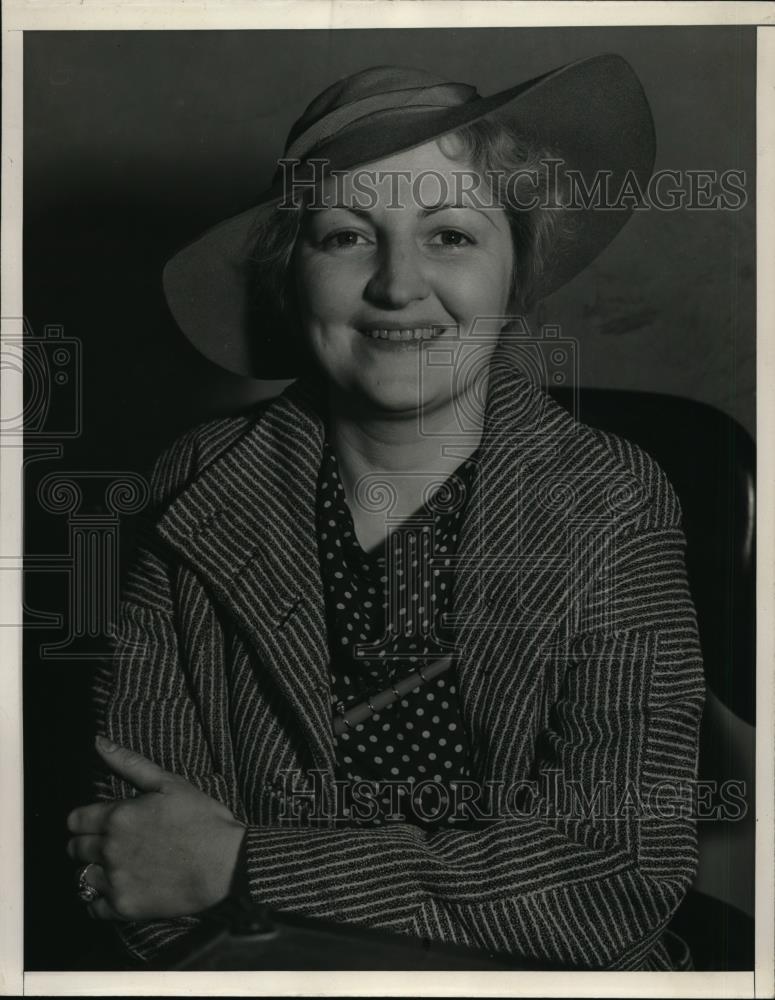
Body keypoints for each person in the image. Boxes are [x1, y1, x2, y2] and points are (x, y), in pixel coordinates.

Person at [66, 55, 705, 971]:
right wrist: (213, 899)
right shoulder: (196, 483)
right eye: (345, 237)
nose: (397, 285)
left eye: (449, 234)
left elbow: (614, 874)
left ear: (516, 269)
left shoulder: (611, 501)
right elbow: (140, 861)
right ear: (292, 275)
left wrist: (248, 865)